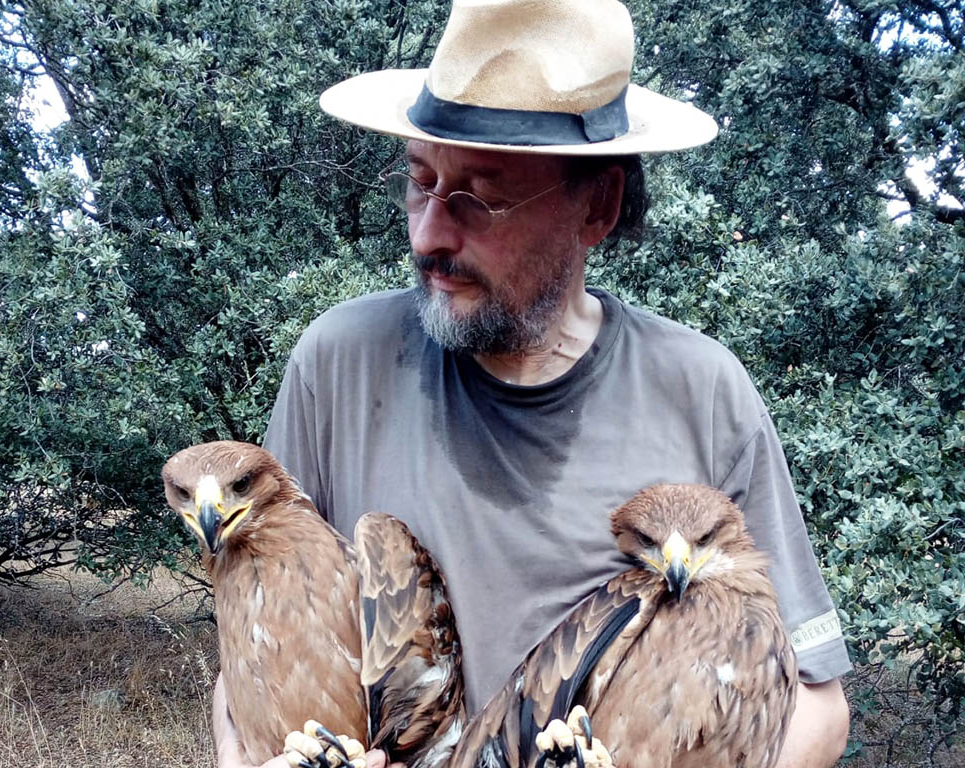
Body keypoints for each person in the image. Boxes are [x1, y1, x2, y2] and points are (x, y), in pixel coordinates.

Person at [216, 1, 852, 766]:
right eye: (420, 183)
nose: (428, 234)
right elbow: (247, 664)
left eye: (480, 197)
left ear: (599, 206)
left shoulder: (702, 392)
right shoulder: (340, 364)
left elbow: (816, 700)